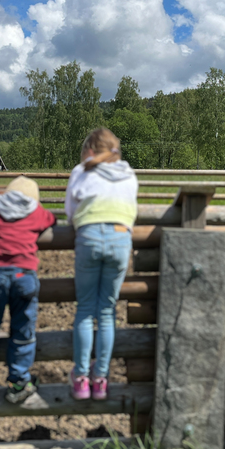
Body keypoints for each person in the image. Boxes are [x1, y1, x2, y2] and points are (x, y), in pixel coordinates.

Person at [0, 176, 56, 403]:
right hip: (24, 276)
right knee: (23, 332)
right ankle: (18, 382)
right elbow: (51, 219)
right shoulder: (37, 211)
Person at [65, 128, 137, 401]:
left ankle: (81, 379)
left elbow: (70, 213)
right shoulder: (128, 173)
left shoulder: (82, 170)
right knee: (106, 311)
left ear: (90, 151)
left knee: (85, 309)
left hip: (90, 237)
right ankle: (101, 380)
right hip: (120, 239)